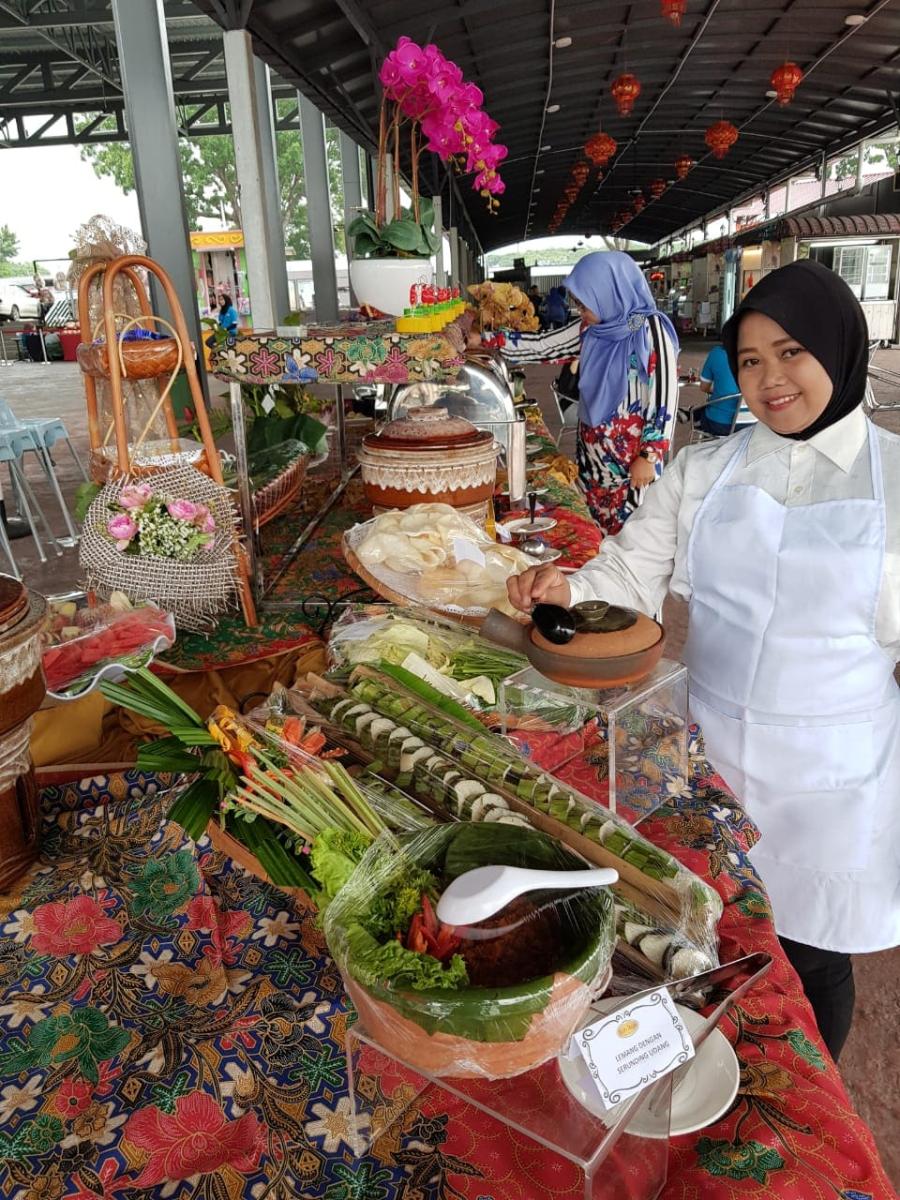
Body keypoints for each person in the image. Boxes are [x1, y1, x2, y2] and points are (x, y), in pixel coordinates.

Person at [506, 260, 899, 1062]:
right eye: (749, 360)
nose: (769, 379)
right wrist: (565, 587)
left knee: (814, 954)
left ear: (839, 347)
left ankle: (799, 1091)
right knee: (699, 933)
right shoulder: (706, 471)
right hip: (707, 759)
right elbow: (629, 572)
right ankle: (720, 1074)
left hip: (837, 779)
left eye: (790, 352)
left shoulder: (895, 478)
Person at [565, 252, 679, 536]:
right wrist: (489, 340)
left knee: (631, 542)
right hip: (592, 468)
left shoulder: (649, 328)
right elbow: (545, 345)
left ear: (609, 292)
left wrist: (649, 455)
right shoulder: (593, 329)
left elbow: (665, 394)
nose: (581, 310)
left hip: (632, 472)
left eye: (584, 303)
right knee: (593, 542)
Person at [693, 342, 747, 435]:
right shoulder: (760, 355)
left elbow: (704, 387)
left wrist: (719, 391)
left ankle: (691, 413)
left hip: (720, 424)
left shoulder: (717, 353)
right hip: (752, 426)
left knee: (707, 408)